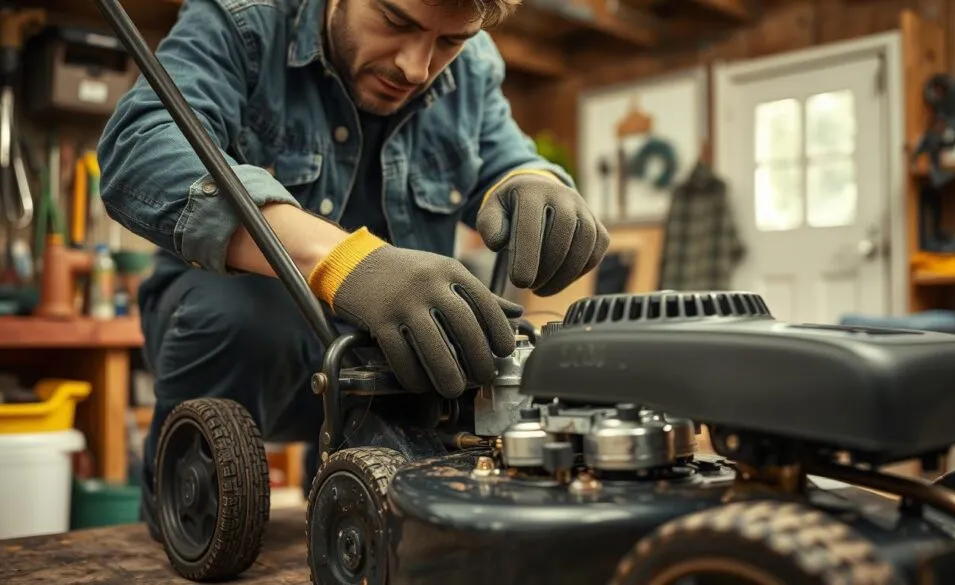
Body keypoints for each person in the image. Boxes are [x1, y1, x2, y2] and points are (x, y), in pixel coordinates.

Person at [96, 0, 608, 541]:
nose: (416, 66)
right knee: (242, 315)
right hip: (247, 349)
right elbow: (141, 149)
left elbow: (505, 158)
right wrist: (344, 263)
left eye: (448, 41)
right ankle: (195, 512)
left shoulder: (473, 64)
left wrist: (538, 184)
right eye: (395, 21)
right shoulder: (241, 19)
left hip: (394, 357)